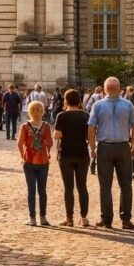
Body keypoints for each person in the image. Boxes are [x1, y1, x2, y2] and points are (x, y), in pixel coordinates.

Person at [87, 76, 134, 230]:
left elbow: (91, 128)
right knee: (126, 185)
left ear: (104, 89)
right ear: (119, 88)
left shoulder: (97, 105)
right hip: (123, 146)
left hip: (105, 147)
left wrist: (92, 147)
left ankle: (107, 219)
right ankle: (126, 219)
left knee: (105, 186)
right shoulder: (128, 104)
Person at [54, 88, 90, 227]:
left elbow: (57, 135)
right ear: (79, 101)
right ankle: (84, 217)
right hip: (82, 153)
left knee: (68, 187)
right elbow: (89, 134)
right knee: (82, 186)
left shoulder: (61, 116)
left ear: (66, 101)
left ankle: (69, 218)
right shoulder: (85, 115)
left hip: (66, 154)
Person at [18, 100, 53, 226]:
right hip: (43, 160)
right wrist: (48, 151)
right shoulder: (47, 126)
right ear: (43, 112)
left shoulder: (25, 126)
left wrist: (23, 156)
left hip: (29, 160)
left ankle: (32, 218)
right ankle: (43, 217)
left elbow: (20, 143)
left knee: (31, 190)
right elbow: (50, 143)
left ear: (30, 111)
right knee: (42, 190)